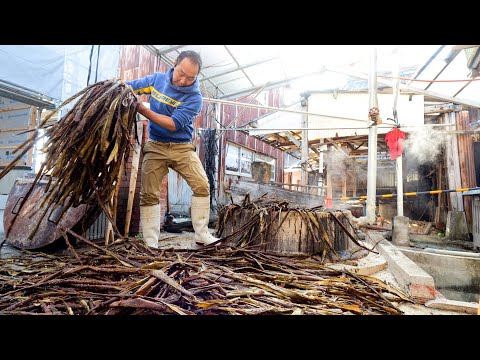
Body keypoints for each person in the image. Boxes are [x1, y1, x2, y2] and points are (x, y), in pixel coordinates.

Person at [126, 50, 218, 249]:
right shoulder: (157, 80)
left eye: (190, 77)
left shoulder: (195, 97)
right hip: (156, 145)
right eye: (181, 73)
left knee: (202, 184)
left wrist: (143, 109)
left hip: (182, 147)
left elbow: (174, 124)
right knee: (149, 193)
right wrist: (117, 88)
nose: (183, 80)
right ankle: (151, 243)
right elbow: (130, 88)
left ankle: (202, 234)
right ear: (174, 63)